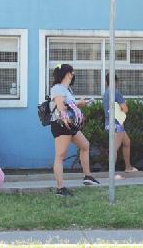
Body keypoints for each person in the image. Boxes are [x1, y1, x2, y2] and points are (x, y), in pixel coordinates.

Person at [50, 64, 98, 196]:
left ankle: (87, 176)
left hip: (70, 125)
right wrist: (78, 103)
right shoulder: (57, 88)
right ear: (67, 74)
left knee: (85, 145)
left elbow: (70, 106)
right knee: (60, 155)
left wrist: (80, 104)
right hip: (61, 123)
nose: (73, 75)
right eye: (72, 72)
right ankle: (60, 188)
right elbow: (61, 107)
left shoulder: (67, 89)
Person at [102, 73, 139, 173]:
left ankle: (128, 167)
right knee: (114, 148)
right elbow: (125, 109)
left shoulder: (106, 93)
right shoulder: (116, 93)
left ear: (106, 82)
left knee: (127, 142)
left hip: (109, 123)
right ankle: (111, 174)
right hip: (117, 124)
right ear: (116, 81)